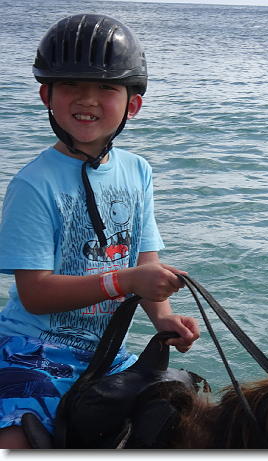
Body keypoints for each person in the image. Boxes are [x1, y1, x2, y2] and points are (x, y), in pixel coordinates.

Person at [0, 13, 200, 448]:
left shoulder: (137, 171)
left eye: (106, 88)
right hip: (33, 350)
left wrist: (165, 319)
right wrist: (125, 282)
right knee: (16, 440)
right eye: (71, 85)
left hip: (106, 353)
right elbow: (35, 294)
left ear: (133, 105)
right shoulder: (34, 184)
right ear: (46, 95)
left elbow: (144, 260)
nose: (87, 99)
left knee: (186, 420)